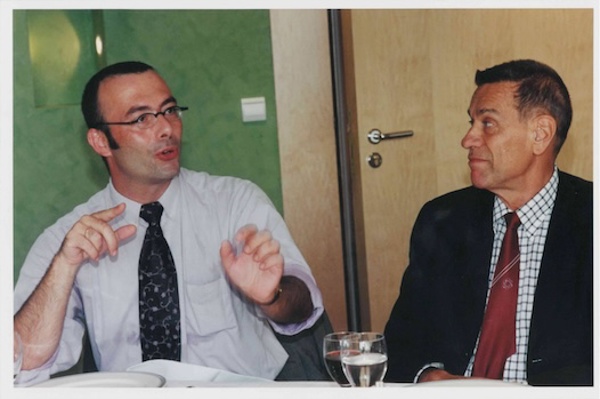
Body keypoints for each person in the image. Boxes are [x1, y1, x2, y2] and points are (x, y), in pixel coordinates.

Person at [13, 61, 324, 385]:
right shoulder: (69, 239)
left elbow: (304, 309)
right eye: (142, 118)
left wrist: (272, 295)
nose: (166, 129)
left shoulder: (235, 202)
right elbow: (23, 363)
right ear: (100, 141)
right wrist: (63, 267)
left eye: (170, 110)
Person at [384, 59, 592, 386]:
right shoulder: (443, 220)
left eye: (488, 123)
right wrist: (426, 376)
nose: (468, 139)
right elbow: (402, 339)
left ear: (540, 134)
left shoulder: (589, 220)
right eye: (471, 122)